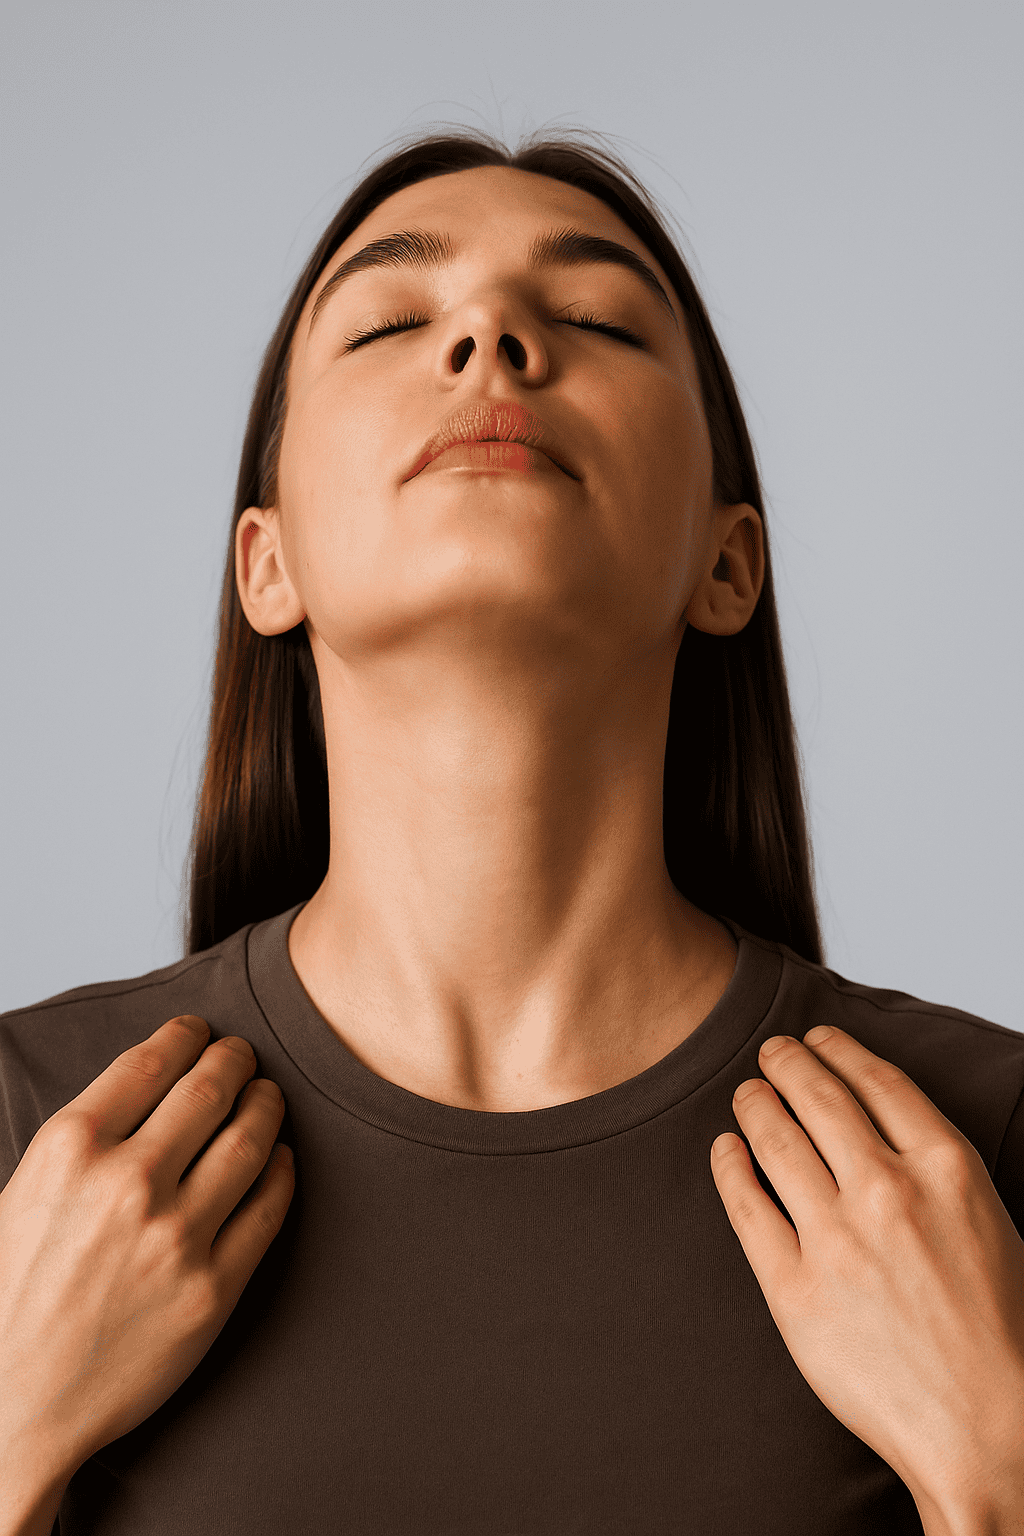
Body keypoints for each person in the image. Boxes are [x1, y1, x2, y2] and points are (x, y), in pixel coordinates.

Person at [1, 126, 1022, 1536]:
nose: (488, 337)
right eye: (392, 321)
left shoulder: (981, 1154)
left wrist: (1000, 1467)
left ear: (728, 563)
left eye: (596, 318)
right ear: (269, 559)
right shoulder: (29, 1133)